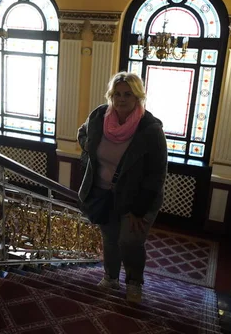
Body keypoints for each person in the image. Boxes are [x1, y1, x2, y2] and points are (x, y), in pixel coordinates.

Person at [77, 71, 167, 303]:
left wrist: (139, 210)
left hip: (139, 199)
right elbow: (83, 134)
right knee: (110, 239)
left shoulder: (150, 129)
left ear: (138, 96)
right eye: (117, 94)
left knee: (130, 242)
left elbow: (156, 175)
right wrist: (88, 150)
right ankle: (111, 277)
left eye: (128, 94)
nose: (121, 99)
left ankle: (134, 283)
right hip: (104, 194)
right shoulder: (99, 116)